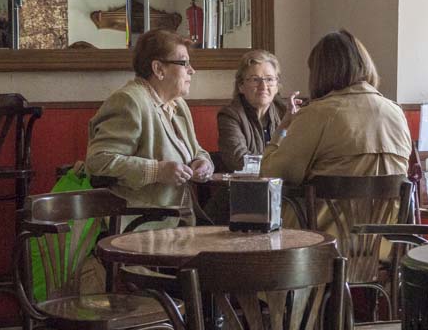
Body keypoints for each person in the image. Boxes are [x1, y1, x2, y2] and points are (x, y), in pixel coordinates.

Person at [85, 29, 214, 221]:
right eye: (184, 63)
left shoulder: (177, 104)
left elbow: (197, 151)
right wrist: (157, 171)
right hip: (139, 226)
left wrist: (202, 163)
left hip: (180, 221)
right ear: (159, 69)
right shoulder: (129, 101)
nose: (191, 70)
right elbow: (98, 162)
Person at [261, 29, 411, 185]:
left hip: (325, 209)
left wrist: (283, 127)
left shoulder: (316, 114)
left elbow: (272, 173)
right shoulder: (396, 113)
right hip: (390, 210)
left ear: (319, 72)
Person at [216, 49, 295, 173]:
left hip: (281, 187)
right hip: (244, 189)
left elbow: (298, 157)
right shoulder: (229, 116)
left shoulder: (285, 112)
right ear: (241, 86)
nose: (263, 86)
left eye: (269, 79)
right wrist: (281, 163)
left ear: (277, 86)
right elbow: (240, 162)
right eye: (255, 79)